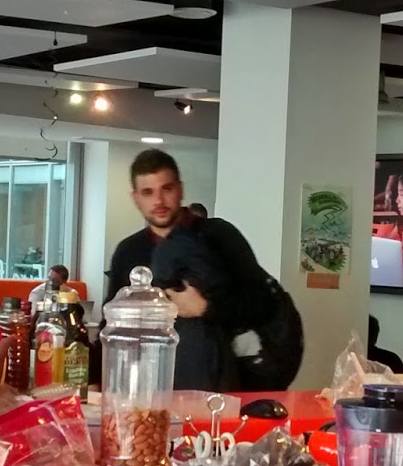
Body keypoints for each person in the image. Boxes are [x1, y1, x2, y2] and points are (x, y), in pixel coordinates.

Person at [107, 149, 283, 391]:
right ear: (135, 197)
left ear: (180, 189)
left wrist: (205, 308)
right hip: (146, 385)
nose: (158, 201)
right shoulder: (128, 251)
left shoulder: (219, 236)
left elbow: (262, 303)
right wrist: (96, 382)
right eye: (148, 192)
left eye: (167, 188)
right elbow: (111, 323)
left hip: (220, 380)